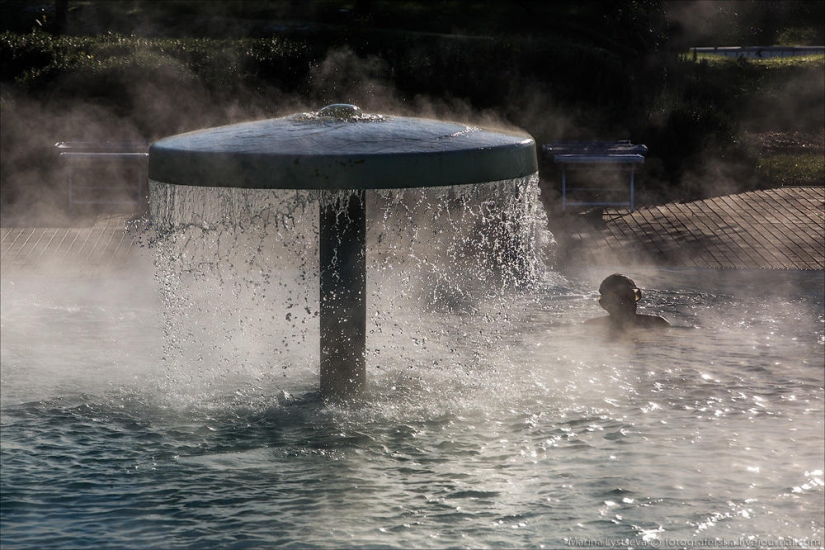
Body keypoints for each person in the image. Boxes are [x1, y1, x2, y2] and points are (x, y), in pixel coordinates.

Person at [586, 274, 670, 329]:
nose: (627, 303)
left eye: (631, 296)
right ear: (604, 304)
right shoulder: (592, 326)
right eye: (619, 298)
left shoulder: (658, 325)